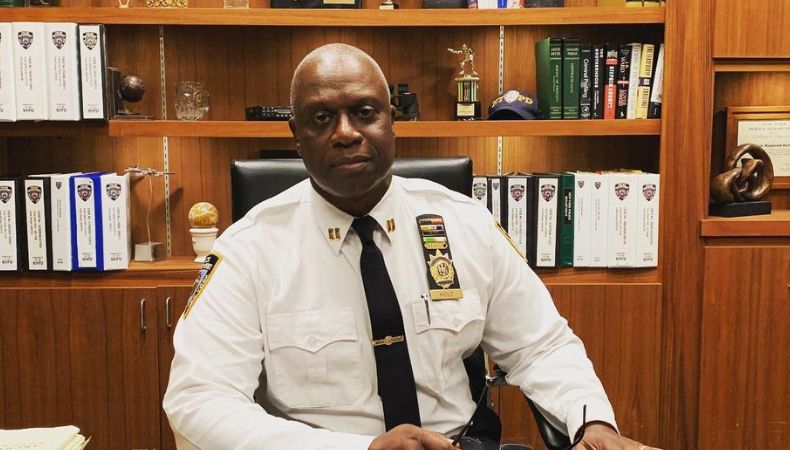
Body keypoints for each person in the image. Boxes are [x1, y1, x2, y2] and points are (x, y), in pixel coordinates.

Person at [163, 43, 660, 450]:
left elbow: (541, 346)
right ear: (296, 135)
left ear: (392, 120)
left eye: (364, 113)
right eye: (321, 118)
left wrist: (591, 422)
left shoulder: (465, 224)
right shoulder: (248, 251)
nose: (346, 134)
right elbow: (200, 399)